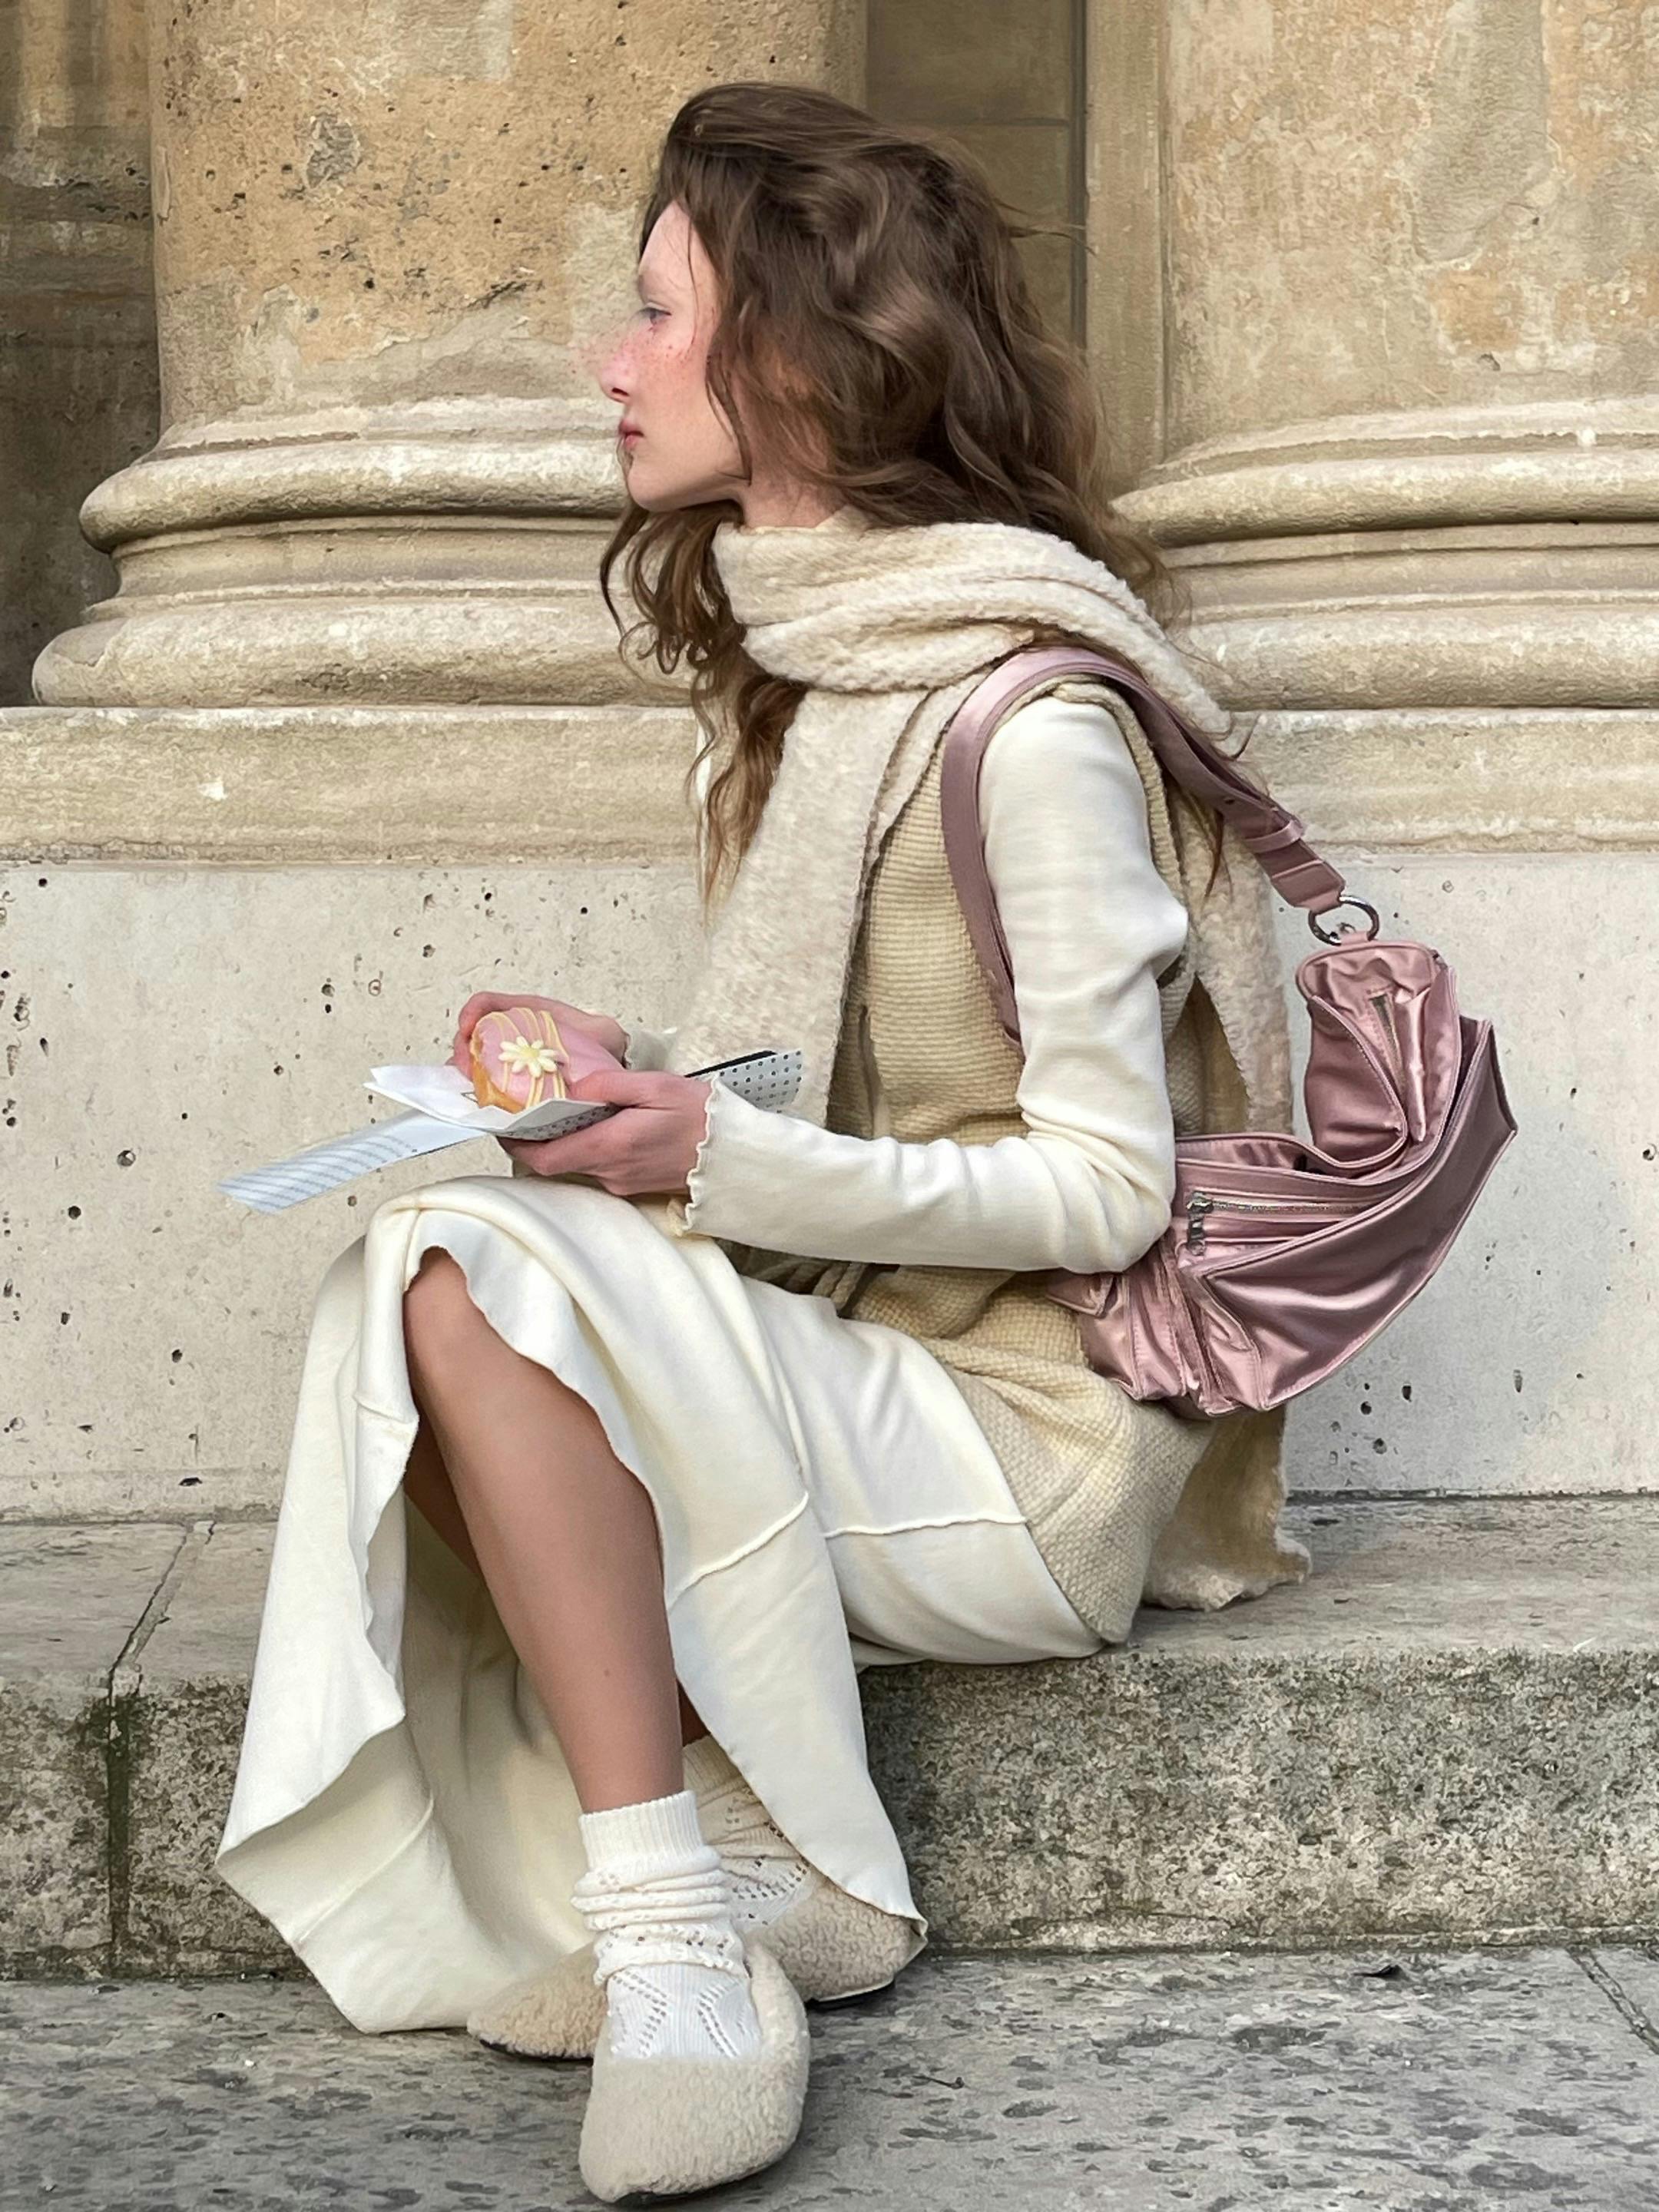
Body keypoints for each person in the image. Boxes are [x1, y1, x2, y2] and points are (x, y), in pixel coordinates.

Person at [214, 79, 1309, 2204]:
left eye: (651, 312)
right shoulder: (832, 676)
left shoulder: (1025, 719)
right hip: (875, 1379)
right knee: (432, 1260)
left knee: (469, 1271)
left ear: (797, 353)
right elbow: (871, 1090)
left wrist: (692, 1166)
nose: (603, 367)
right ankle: (722, 1858)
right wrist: (622, 1082)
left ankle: (677, 1939)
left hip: (1026, 1457)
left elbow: (1110, 1196)